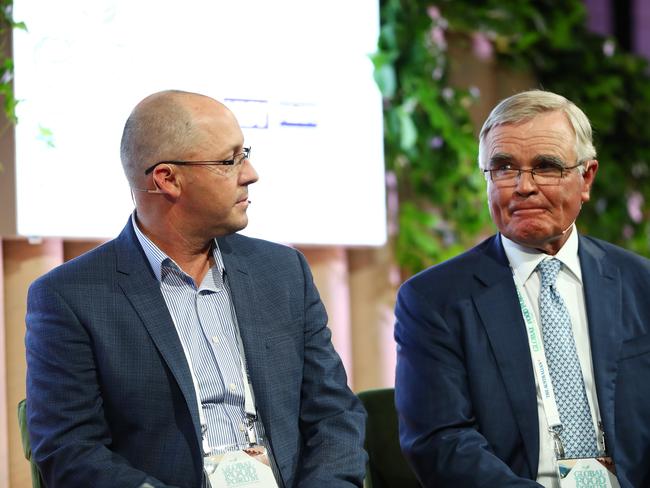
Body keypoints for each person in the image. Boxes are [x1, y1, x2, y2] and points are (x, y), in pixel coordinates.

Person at [25, 90, 367, 488]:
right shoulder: (71, 296)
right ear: (167, 179)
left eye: (245, 153)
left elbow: (335, 415)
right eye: (229, 160)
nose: (250, 173)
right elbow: (71, 451)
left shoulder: (282, 271)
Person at [394, 90, 650, 488]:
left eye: (546, 167)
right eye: (504, 168)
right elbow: (440, 443)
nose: (523, 186)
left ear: (586, 178)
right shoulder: (434, 300)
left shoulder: (641, 284)